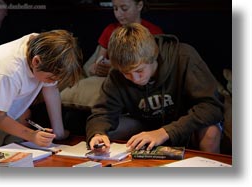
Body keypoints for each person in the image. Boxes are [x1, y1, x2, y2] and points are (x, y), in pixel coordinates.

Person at [86, 23, 224, 153]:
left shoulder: (184, 57)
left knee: (211, 131)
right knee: (106, 133)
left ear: (154, 56)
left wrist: (165, 132)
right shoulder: (117, 74)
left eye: (139, 70)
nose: (135, 78)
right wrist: (97, 134)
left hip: (184, 125)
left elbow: (212, 107)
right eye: (126, 73)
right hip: (144, 124)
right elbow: (102, 112)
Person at [0, 29, 82, 149]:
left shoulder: (45, 48)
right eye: (50, 78)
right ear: (36, 61)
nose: (52, 82)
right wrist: (32, 135)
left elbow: (50, 90)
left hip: (10, 117)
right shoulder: (8, 71)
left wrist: (58, 132)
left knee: (21, 154)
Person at [84, 0, 163, 77]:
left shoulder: (154, 33)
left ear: (139, 5)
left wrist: (116, 68)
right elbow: (99, 61)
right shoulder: (110, 30)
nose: (118, 14)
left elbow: (156, 67)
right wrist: (97, 68)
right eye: (115, 8)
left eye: (124, 8)